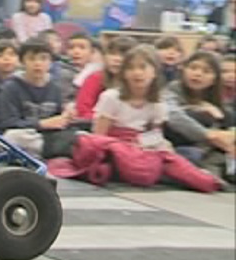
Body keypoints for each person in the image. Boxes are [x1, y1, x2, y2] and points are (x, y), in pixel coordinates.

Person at [91, 46, 221, 192]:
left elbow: (154, 134)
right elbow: (98, 136)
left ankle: (208, 181)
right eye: (131, 68)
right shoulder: (111, 97)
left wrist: (153, 145)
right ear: (124, 73)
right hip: (114, 146)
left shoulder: (157, 103)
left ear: (154, 72)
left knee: (173, 158)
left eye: (143, 67)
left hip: (142, 146)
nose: (137, 73)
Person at [162, 52, 234, 181]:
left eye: (206, 71)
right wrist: (208, 134)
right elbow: (173, 116)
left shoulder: (219, 104)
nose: (198, 74)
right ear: (184, 69)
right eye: (193, 68)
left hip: (210, 152)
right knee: (192, 154)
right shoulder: (172, 90)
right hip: (177, 146)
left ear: (214, 79)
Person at [0, 39, 72, 158]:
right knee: (12, 137)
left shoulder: (55, 87)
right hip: (24, 135)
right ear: (22, 62)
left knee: (78, 135)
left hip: (46, 137)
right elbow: (7, 123)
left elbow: (57, 120)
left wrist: (66, 117)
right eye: (32, 59)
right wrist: (40, 124)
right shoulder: (10, 88)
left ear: (51, 62)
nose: (38, 63)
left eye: (43, 58)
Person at [75, 35, 138, 121]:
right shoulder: (95, 78)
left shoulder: (139, 82)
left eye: (123, 54)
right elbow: (82, 111)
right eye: (112, 54)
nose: (117, 59)